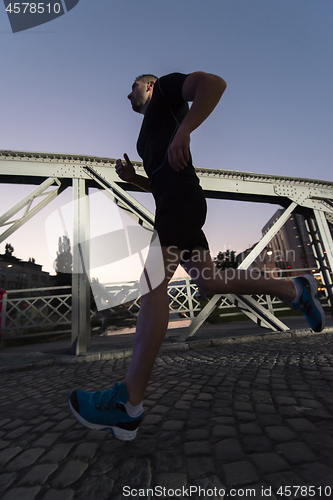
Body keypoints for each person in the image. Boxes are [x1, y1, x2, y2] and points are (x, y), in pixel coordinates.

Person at [69, 72, 325, 441]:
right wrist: (132, 178)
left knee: (151, 284)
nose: (127, 95)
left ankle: (128, 402)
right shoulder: (146, 136)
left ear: (150, 85)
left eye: (132, 88)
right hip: (173, 203)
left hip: (182, 201)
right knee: (210, 281)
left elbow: (215, 84)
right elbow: (158, 180)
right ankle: (296, 291)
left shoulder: (169, 90)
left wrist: (185, 130)